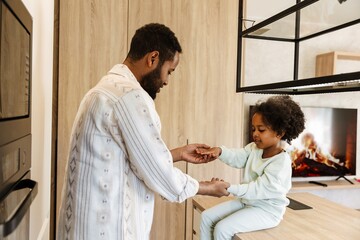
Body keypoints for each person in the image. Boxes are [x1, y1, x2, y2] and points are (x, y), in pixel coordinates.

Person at [56, 23, 229, 240]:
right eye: (169, 71)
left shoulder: (103, 89)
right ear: (153, 58)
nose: (166, 81)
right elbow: (159, 174)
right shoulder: (129, 97)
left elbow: (126, 156)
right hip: (109, 230)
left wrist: (177, 153)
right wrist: (207, 187)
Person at [196, 96, 305, 240]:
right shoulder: (254, 148)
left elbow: (256, 189)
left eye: (261, 129)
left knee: (222, 229)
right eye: (253, 129)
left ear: (279, 133)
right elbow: (238, 157)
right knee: (206, 217)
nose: (255, 134)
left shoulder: (280, 163)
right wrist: (219, 151)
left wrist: (228, 188)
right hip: (247, 202)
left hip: (267, 211)